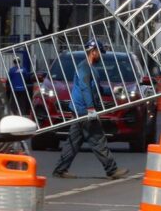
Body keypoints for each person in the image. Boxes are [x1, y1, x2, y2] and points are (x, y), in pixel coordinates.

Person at [52, 39, 128, 180]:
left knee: (73, 142)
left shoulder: (91, 69)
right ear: (93, 52)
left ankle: (60, 170)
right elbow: (85, 88)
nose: (101, 56)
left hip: (80, 110)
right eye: (100, 52)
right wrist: (91, 108)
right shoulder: (84, 68)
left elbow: (96, 90)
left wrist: (113, 91)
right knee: (98, 139)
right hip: (83, 111)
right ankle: (112, 170)